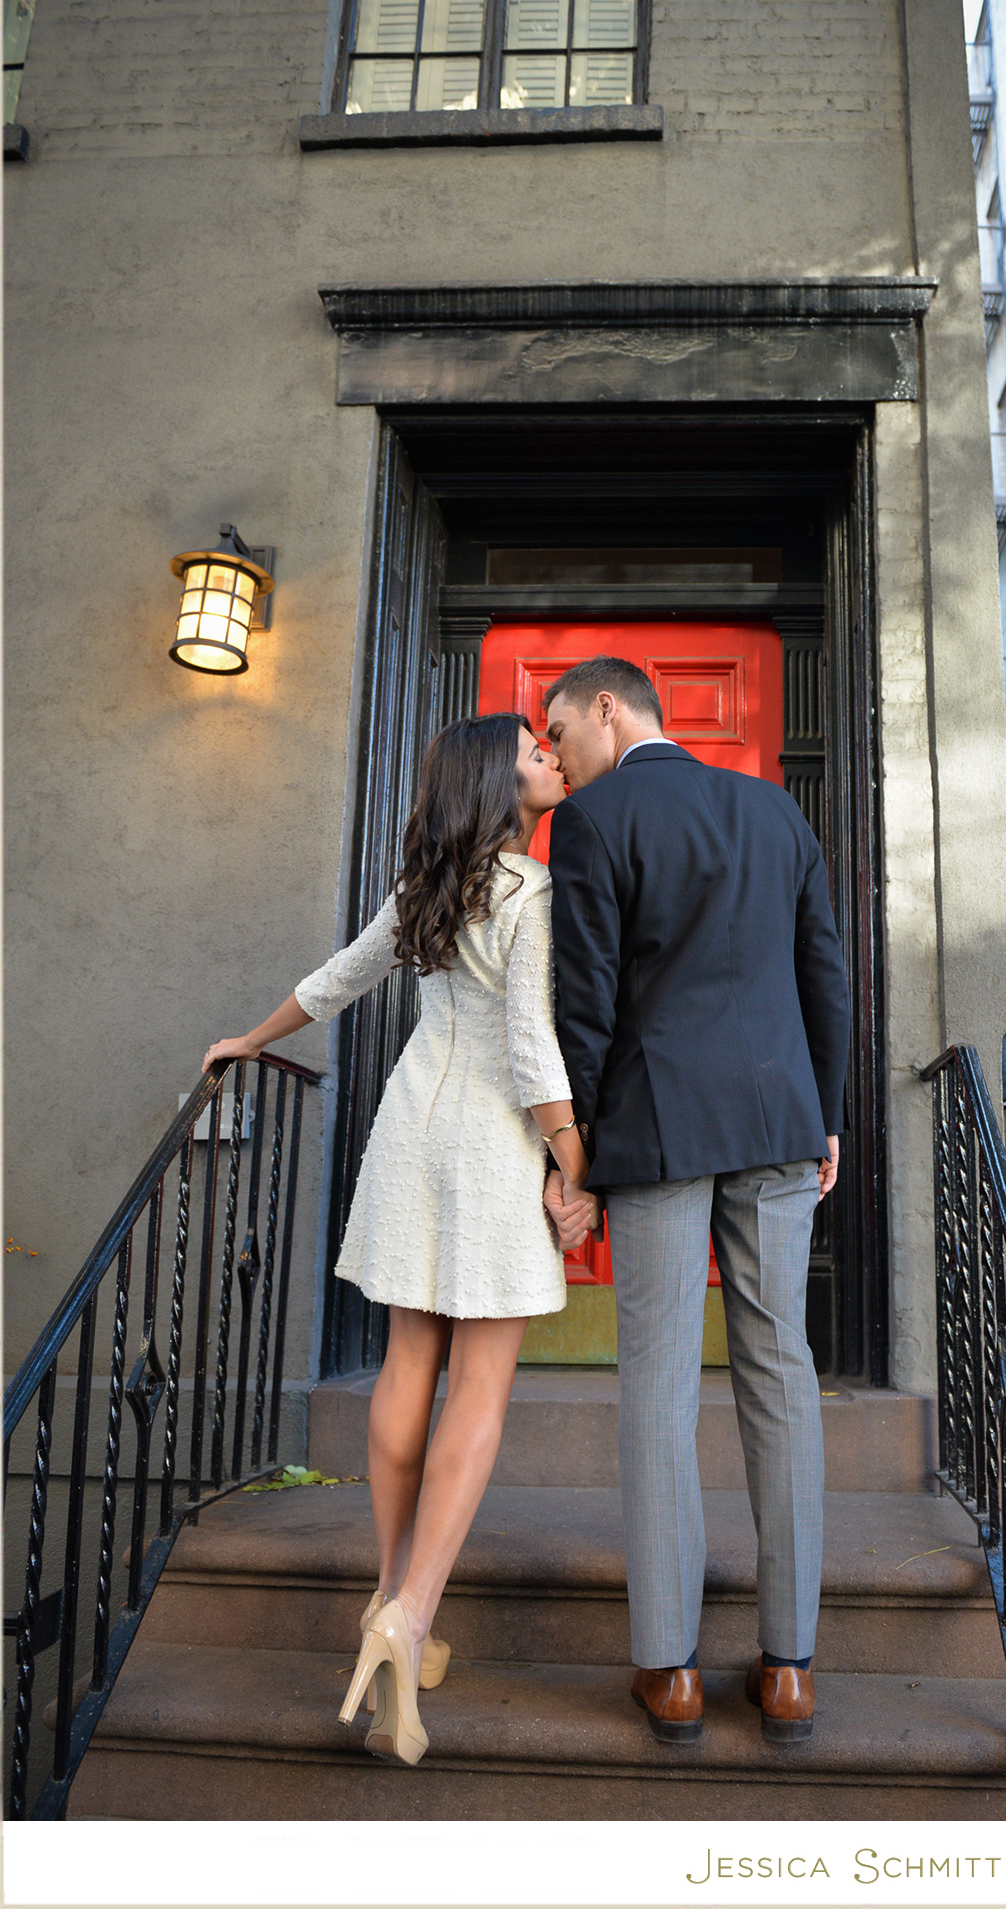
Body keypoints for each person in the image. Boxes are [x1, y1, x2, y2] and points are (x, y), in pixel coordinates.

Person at [203, 713, 596, 1768]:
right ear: (496, 783)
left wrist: (249, 1037)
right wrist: (572, 1161)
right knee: (480, 1380)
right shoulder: (528, 890)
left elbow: (337, 979)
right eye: (532, 749)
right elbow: (530, 1047)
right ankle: (411, 1613)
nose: (551, 756)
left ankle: (390, 1590)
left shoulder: (427, 886)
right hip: (488, 1143)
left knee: (407, 1359)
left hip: (409, 1126)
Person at [542, 657, 850, 1745]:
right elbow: (826, 966)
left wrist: (572, 1147)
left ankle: (670, 1670)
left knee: (661, 1380)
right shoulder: (776, 812)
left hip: (659, 1122)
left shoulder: (594, 820)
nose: (556, 753)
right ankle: (791, 1666)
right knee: (781, 1367)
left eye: (561, 728)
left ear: (611, 711)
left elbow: (584, 995)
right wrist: (827, 1112)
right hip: (776, 1118)